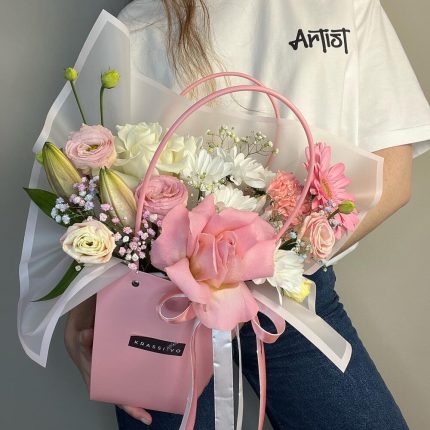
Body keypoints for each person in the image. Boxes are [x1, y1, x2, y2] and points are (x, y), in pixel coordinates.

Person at [64, 1, 430, 429]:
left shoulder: (345, 6)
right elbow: (104, 187)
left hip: (289, 293)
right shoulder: (139, 24)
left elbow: (392, 177)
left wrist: (269, 262)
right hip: (164, 299)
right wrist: (82, 306)